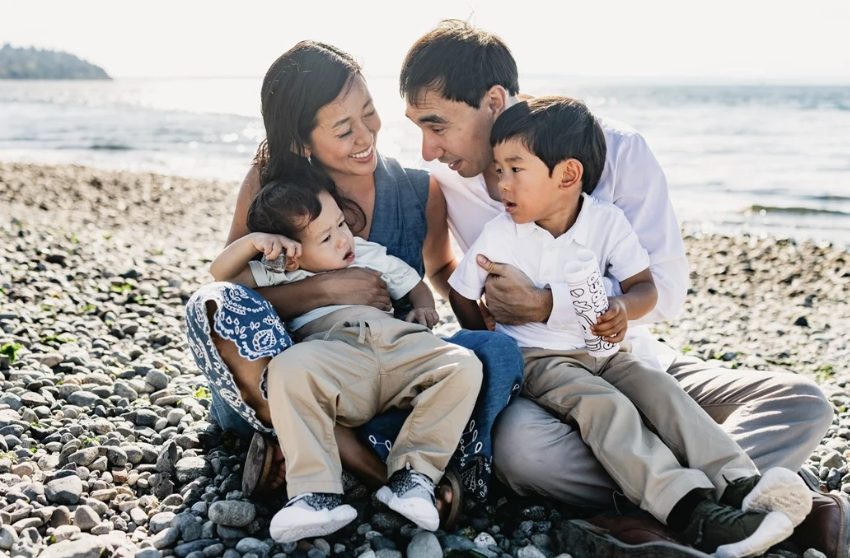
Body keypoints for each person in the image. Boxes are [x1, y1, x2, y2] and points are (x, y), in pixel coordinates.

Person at [399, 20, 844, 557]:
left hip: (630, 356)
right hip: (545, 376)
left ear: (493, 101)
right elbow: (445, 271)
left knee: (803, 403)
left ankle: (669, 511)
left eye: (437, 126)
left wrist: (550, 303)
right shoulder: (448, 178)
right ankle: (731, 504)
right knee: (522, 451)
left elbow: (664, 289)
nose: (428, 150)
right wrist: (488, 321)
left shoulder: (619, 150)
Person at [183, 39, 523, 529]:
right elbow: (234, 292)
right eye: (344, 129)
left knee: (495, 354)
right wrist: (327, 290)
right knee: (210, 306)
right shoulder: (274, 189)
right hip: (297, 376)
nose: (366, 136)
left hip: (389, 372)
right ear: (301, 143)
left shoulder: (418, 190)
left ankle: (307, 455)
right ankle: (382, 471)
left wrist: (490, 303)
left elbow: (441, 270)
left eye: (369, 113)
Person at [209, 177, 483, 540]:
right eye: (326, 238)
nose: (343, 239)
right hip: (336, 357)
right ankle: (315, 493)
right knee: (287, 368)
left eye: (340, 223)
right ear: (292, 252)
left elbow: (414, 284)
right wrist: (252, 242)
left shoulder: (367, 252)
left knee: (464, 365)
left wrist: (422, 307)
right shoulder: (280, 270)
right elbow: (221, 277)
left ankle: (413, 477)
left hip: (399, 346)